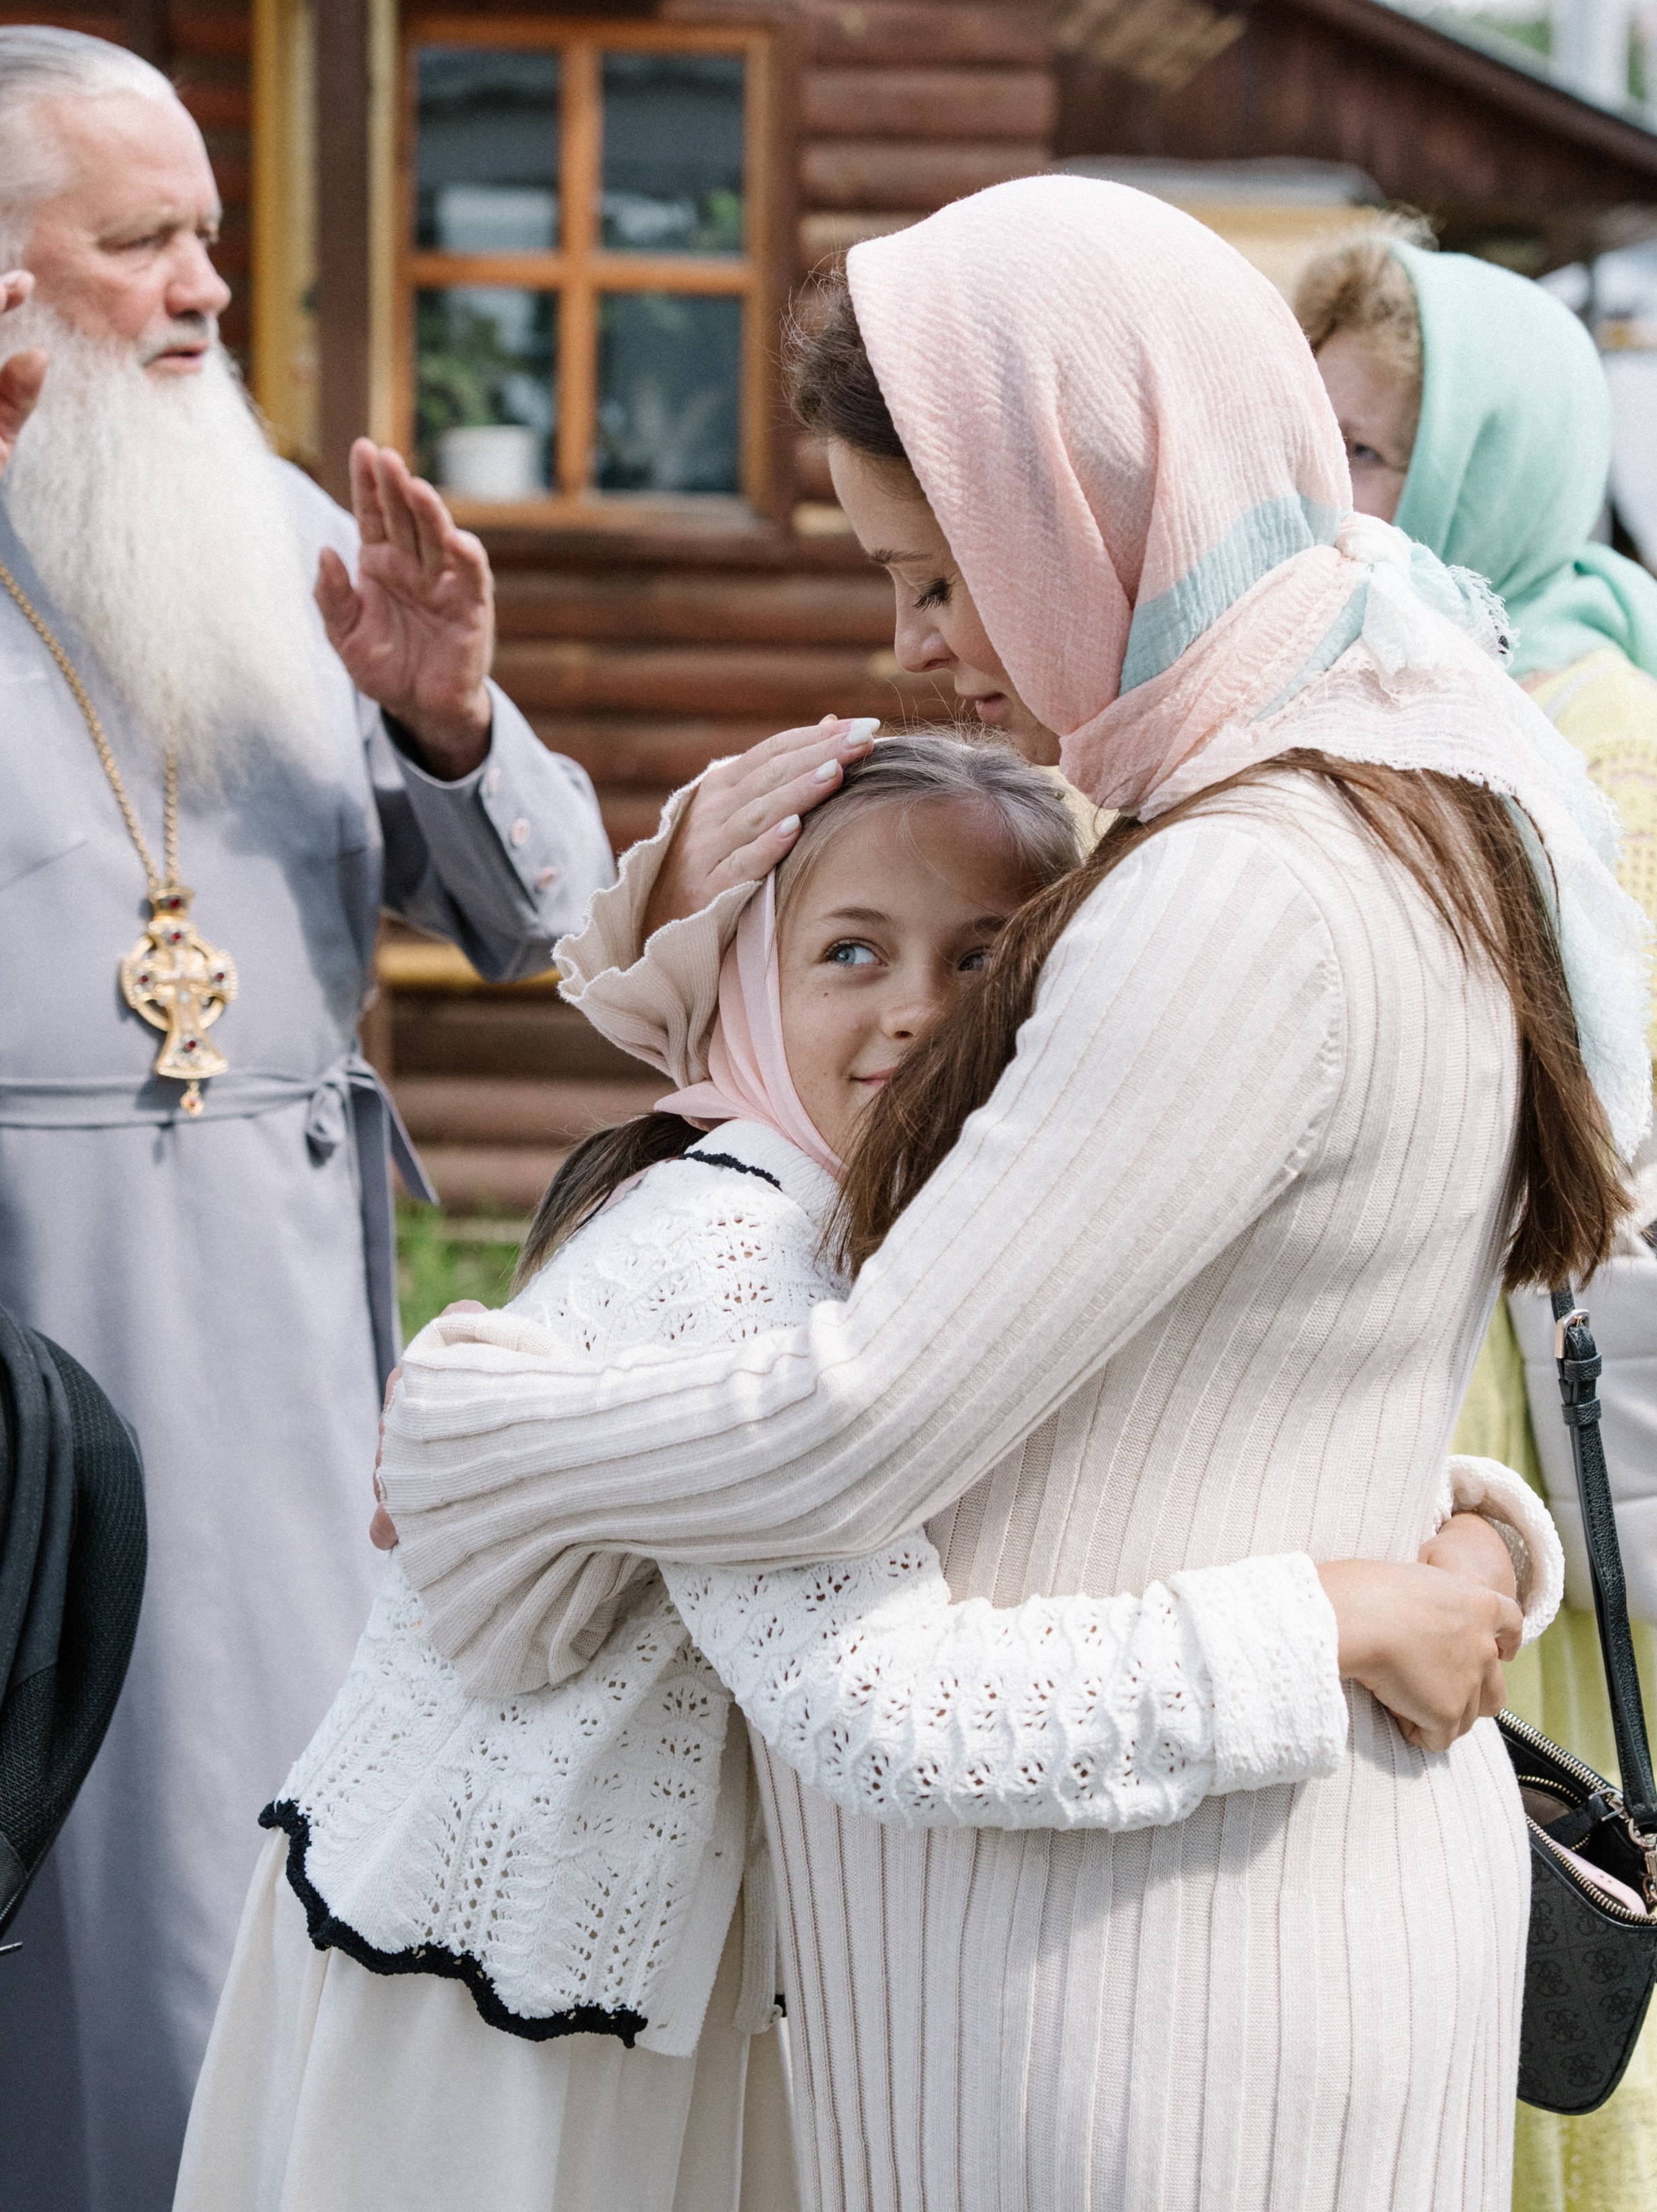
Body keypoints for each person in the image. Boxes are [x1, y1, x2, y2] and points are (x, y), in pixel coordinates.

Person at [372, 175, 1656, 2211]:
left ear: (1094, 503)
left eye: (941, 576)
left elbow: (867, 1420)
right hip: (1204, 1922)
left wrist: (482, 1426)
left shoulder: (1239, 889)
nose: (915, 647)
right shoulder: (1380, 798)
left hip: (1136, 1985)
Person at [181, 733, 1544, 2212]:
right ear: (750, 998)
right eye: (848, 953)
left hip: (660, 2008)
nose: (917, 1013)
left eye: (983, 963)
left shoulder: (908, 1255)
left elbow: (1176, 1440)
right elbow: (888, 1704)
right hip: (500, 2037)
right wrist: (1327, 1627)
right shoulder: (739, 1257)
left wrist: (1478, 1539)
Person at [0, 23, 631, 2212]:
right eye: (148, 244)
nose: (211, 288)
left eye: (209, 233)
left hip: (293, 1411)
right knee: (18, 1946)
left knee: (272, 1926)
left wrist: (450, 712)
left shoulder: (291, 526)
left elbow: (552, 920)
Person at [1297, 231, 1657, 2211]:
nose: (1333, 501)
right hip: (1410, 1373)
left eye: (1378, 457)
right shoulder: (1348, 680)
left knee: (1546, 1887)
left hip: (1523, 1401)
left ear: (1487, 473)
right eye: (1316, 446)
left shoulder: (1591, 718)